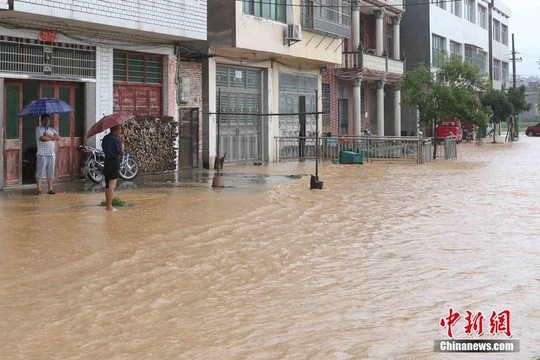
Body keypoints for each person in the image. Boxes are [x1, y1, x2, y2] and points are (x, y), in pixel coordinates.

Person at [35, 114, 61, 195]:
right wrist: (52, 138)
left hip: (51, 154)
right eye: (44, 119)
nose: (46, 121)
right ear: (41, 120)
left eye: (47, 120)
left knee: (50, 173)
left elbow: (58, 138)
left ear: (49, 121)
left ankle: (50, 189)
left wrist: (48, 135)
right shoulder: (38, 128)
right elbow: (43, 139)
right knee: (40, 172)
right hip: (42, 154)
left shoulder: (52, 130)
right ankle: (39, 190)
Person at [101, 125, 124, 211]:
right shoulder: (115, 140)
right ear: (117, 130)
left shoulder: (105, 138)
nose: (120, 131)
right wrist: (121, 144)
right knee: (112, 184)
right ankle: (109, 206)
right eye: (120, 129)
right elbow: (121, 153)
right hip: (114, 162)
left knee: (107, 184)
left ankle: (108, 205)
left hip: (106, 161)